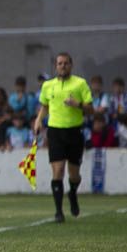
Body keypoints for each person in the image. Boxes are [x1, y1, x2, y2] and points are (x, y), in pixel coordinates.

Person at [33, 52, 94, 223]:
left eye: (66, 63)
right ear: (56, 66)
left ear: (71, 65)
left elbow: (91, 109)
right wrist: (38, 120)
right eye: (59, 63)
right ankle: (58, 211)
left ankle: (73, 193)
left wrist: (78, 105)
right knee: (58, 171)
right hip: (55, 131)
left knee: (74, 175)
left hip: (74, 132)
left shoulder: (80, 83)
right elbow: (45, 106)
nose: (62, 66)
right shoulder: (48, 85)